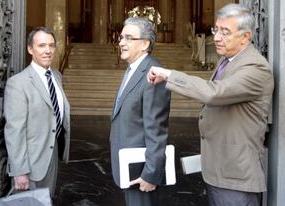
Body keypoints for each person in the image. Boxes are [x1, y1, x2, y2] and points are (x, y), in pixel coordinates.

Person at [147, 3, 274, 206]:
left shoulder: (255, 67)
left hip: (236, 178)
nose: (216, 37)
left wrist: (169, 74)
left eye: (225, 32)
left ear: (245, 37)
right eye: (216, 30)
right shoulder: (227, 61)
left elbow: (214, 93)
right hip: (218, 170)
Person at [109, 17, 171, 206]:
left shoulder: (154, 74)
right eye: (121, 37)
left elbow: (157, 130)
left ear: (145, 44)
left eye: (129, 38)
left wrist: (150, 174)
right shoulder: (133, 70)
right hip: (129, 167)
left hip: (141, 173)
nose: (121, 42)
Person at [3, 27, 71, 197]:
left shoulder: (56, 76)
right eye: (41, 46)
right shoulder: (18, 83)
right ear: (30, 49)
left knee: (46, 201)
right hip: (30, 163)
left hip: (51, 155)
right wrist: (19, 171)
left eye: (51, 45)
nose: (48, 50)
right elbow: (15, 130)